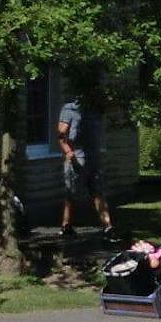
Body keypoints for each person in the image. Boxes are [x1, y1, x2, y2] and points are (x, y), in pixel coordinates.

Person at [56, 95, 113, 240]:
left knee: (99, 193)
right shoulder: (70, 109)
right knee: (71, 194)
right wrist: (68, 151)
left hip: (94, 159)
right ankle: (66, 225)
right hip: (77, 159)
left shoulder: (96, 110)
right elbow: (61, 134)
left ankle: (107, 227)